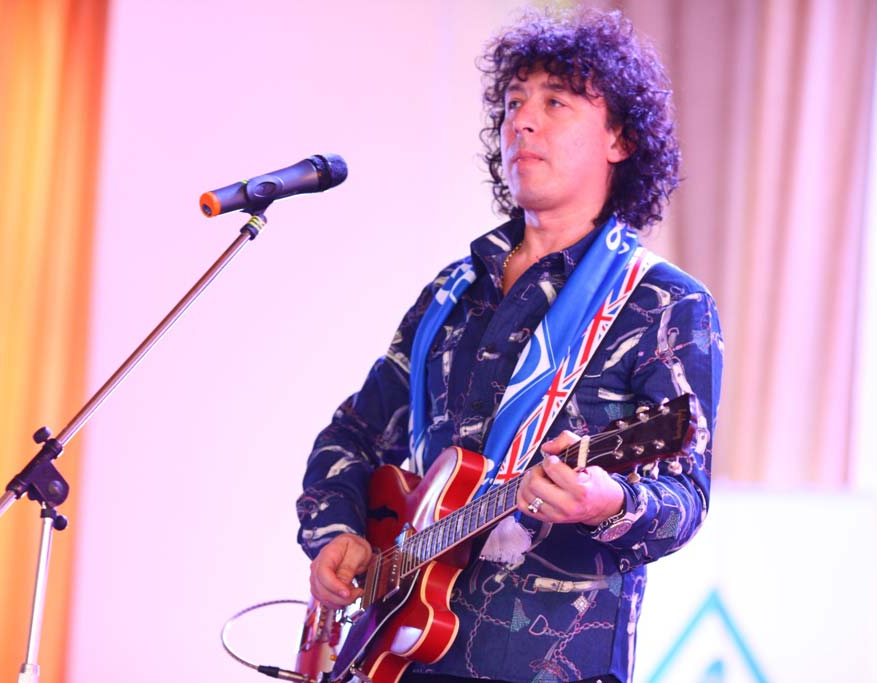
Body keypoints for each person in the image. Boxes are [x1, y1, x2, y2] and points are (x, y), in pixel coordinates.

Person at [296, 8, 723, 683]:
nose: (522, 121)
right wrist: (338, 534)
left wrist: (610, 501)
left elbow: (685, 498)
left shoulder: (665, 304)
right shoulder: (452, 292)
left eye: (556, 102)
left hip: (547, 664)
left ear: (619, 138)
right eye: (514, 102)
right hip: (396, 655)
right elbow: (352, 434)